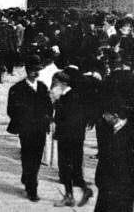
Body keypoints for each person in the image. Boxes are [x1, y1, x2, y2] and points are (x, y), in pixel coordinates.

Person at [6, 55, 53, 202]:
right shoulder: (17, 89)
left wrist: (47, 118)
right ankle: (32, 188)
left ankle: (28, 177)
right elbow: (11, 110)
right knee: (28, 157)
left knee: (37, 157)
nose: (36, 73)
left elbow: (49, 107)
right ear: (27, 71)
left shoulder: (42, 87)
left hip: (39, 129)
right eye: (33, 70)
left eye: (38, 70)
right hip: (26, 129)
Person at [51, 71, 93, 207]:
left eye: (55, 83)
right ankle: (85, 190)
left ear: (63, 84)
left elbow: (60, 119)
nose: (53, 86)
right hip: (77, 137)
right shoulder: (77, 95)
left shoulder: (65, 98)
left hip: (66, 137)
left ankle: (70, 196)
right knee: (75, 170)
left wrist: (55, 102)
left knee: (65, 168)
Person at [94, 111, 134, 212]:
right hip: (106, 191)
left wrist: (132, 192)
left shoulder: (133, 137)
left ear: (115, 116)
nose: (103, 116)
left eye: (106, 114)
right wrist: (99, 181)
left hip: (123, 195)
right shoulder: (108, 131)